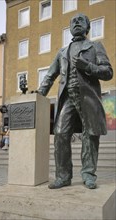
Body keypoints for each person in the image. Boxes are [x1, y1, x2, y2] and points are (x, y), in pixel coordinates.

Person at [37, 13, 113, 189]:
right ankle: (63, 176)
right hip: (67, 98)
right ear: (70, 28)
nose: (77, 23)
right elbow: (50, 75)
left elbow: (108, 72)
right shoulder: (62, 52)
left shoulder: (95, 46)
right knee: (61, 134)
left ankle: (88, 174)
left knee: (90, 135)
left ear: (87, 27)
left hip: (89, 98)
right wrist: (39, 94)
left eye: (81, 21)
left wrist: (88, 67)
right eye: (73, 21)